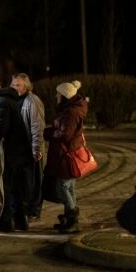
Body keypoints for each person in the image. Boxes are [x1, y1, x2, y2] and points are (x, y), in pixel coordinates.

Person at [0, 82, 32, 232]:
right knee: (16, 188)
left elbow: (1, 128)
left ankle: (5, 222)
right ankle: (20, 221)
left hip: (10, 152)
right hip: (19, 152)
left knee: (4, 186)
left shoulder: (0, 102)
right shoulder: (10, 101)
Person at [44, 80, 88, 233]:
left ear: (64, 96)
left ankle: (72, 216)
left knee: (62, 186)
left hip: (67, 154)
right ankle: (70, 219)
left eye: (58, 93)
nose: (56, 95)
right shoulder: (71, 109)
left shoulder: (71, 112)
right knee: (69, 187)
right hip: (68, 153)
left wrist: (46, 133)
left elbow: (65, 134)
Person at [10, 73, 46, 221]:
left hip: (30, 149)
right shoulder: (13, 100)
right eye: (13, 84)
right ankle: (21, 209)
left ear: (26, 87)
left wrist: (36, 149)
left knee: (33, 181)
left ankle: (33, 210)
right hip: (18, 150)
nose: (14, 87)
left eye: (18, 85)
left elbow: (37, 126)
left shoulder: (32, 101)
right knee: (21, 182)